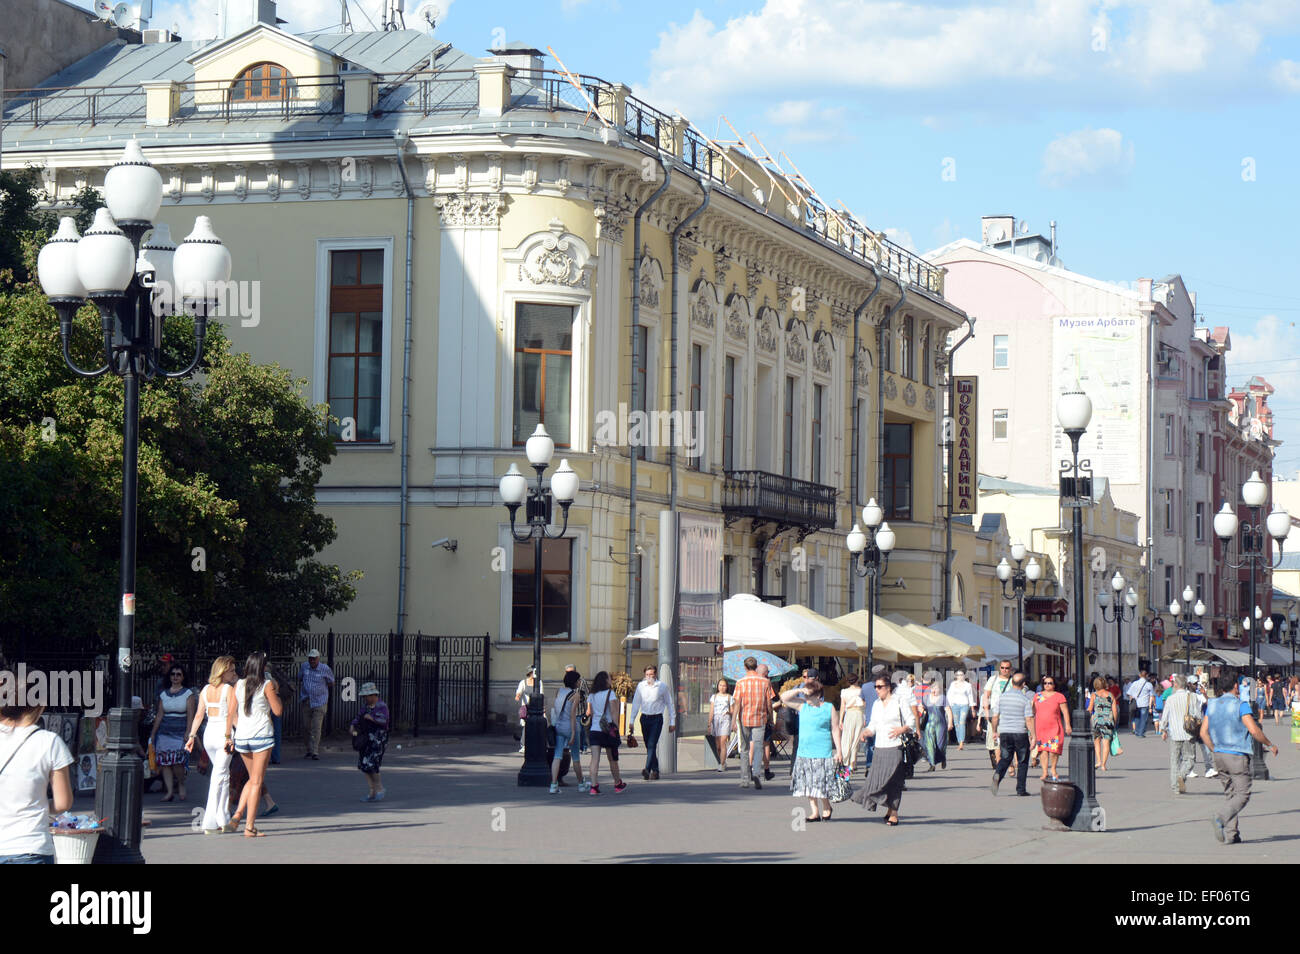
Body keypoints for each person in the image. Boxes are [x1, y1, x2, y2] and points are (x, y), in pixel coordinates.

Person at [0, 679, 75, 864]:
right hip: (30, 847)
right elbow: (63, 803)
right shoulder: (49, 742)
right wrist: (37, 805)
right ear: (41, 704)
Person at [1201, 672, 1278, 844]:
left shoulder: (1211, 705)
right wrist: (1269, 744)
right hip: (1236, 755)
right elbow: (1253, 730)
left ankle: (1232, 834)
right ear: (1236, 686)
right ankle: (1220, 818)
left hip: (1219, 755)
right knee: (1242, 794)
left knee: (1230, 793)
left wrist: (1214, 749)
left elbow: (1203, 732)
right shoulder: (1240, 705)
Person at [229, 651, 283, 837]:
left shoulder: (238, 684)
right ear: (262, 667)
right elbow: (277, 711)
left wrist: (232, 733)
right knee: (257, 782)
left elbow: (232, 712)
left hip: (242, 738)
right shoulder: (266, 685)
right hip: (261, 737)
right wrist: (276, 692)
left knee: (252, 779)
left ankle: (237, 815)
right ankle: (249, 827)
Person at [852, 674, 915, 825]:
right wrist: (866, 732)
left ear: (888, 688)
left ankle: (894, 813)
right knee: (877, 780)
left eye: (880, 687)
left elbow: (911, 721)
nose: (877, 690)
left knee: (894, 780)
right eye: (875, 687)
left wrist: (902, 729)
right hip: (880, 747)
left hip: (895, 746)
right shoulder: (876, 704)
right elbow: (873, 724)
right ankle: (887, 808)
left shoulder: (899, 701)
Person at [184, 656, 237, 834]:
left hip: (209, 735)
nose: (234, 673)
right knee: (219, 775)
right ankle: (210, 822)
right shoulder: (228, 689)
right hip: (223, 734)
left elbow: (199, 715)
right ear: (223, 671)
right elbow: (231, 716)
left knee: (223, 775)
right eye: (231, 670)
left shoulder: (205, 690)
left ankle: (223, 817)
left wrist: (192, 735)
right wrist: (232, 735)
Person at [781, 674, 842, 822]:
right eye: (806, 695)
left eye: (810, 695)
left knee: (821, 782)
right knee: (808, 783)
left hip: (822, 750)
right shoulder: (803, 706)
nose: (807, 698)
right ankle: (814, 811)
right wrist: (799, 691)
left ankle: (826, 806)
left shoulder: (828, 708)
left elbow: (835, 729)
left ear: (818, 695)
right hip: (804, 750)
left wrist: (839, 751)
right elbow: (784, 698)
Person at [149, 662, 196, 802]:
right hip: (164, 732)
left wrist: (189, 732)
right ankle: (169, 791)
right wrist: (153, 733)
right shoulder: (164, 694)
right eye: (173, 674)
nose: (175, 677)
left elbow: (190, 715)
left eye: (178, 674)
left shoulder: (188, 694)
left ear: (182, 677)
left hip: (180, 732)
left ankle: (180, 783)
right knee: (165, 763)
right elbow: (159, 715)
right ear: (169, 677)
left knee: (177, 762)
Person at [990, 671, 1035, 796]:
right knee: (1022, 761)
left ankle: (997, 776)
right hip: (1020, 733)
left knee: (1005, 758)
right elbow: (1029, 719)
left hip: (1005, 732)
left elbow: (995, 716)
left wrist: (994, 731)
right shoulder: (1025, 699)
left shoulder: (1002, 697)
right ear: (1024, 684)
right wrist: (1034, 735)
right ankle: (1021, 789)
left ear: (1012, 682)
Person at [733, 657, 775, 790]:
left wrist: (733, 720)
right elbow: (769, 702)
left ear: (745, 667)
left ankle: (745, 779)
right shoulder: (765, 682)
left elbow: (737, 703)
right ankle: (756, 773)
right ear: (756, 667)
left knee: (744, 749)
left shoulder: (740, 682)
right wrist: (770, 716)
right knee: (758, 747)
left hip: (744, 718)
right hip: (760, 718)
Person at [628, 665, 675, 781]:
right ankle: (656, 770)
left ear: (655, 675)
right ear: (645, 675)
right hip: (644, 718)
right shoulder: (641, 686)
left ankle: (647, 769)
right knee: (648, 745)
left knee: (651, 744)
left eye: (651, 674)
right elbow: (636, 703)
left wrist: (672, 721)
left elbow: (670, 703)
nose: (649, 677)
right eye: (647, 675)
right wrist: (631, 720)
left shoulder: (662, 687)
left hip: (657, 719)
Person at [1159, 674, 1202, 795]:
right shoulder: (1192, 697)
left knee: (1174, 760)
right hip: (1188, 734)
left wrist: (1163, 729)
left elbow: (1165, 715)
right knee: (1190, 759)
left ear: (1176, 685)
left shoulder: (1170, 699)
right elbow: (1198, 715)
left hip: (1175, 734)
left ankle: (1175, 787)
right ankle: (1181, 776)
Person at [585, 671, 626, 794]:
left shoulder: (592, 695)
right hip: (608, 730)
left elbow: (590, 713)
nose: (611, 680)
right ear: (605, 681)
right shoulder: (611, 694)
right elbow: (614, 713)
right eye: (609, 678)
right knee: (612, 758)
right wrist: (617, 729)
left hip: (595, 729)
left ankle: (593, 786)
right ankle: (617, 783)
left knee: (594, 759)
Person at [549, 670, 588, 794]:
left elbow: (555, 708)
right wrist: (572, 733)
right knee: (576, 757)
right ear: (575, 682)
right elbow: (572, 715)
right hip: (571, 727)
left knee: (557, 755)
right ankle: (581, 783)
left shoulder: (558, 691)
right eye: (578, 681)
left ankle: (553, 784)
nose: (579, 683)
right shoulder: (575, 695)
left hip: (559, 725)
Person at [350, 682, 389, 802]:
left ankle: (379, 788)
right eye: (364, 696)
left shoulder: (382, 706)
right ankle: (372, 791)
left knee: (372, 764)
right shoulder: (365, 707)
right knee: (364, 764)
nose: (365, 698)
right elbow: (358, 717)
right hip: (366, 738)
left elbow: (384, 720)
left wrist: (372, 718)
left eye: (366, 696)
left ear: (373, 695)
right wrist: (352, 725)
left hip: (378, 739)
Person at [1032, 675, 1071, 782]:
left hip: (1055, 726)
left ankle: (1053, 768)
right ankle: (1044, 771)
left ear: (1054, 685)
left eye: (1050, 683)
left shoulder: (1059, 696)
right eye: (1045, 683)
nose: (1047, 685)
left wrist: (1067, 724)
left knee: (1054, 749)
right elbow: (1032, 712)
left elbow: (1065, 712)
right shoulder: (1037, 696)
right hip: (1041, 727)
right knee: (1043, 750)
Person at [298, 649, 334, 760]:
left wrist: (321, 690)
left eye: (314, 658)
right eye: (310, 658)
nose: (312, 660)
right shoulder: (304, 666)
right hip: (307, 700)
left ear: (318, 659)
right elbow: (300, 678)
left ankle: (314, 751)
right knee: (305, 726)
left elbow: (331, 682)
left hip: (320, 701)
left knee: (316, 727)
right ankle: (308, 749)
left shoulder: (325, 669)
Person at [980, 660, 1015, 769]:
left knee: (1009, 740)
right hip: (995, 713)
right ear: (999, 668)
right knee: (996, 740)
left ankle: (1009, 762)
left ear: (1011, 669)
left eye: (1007, 668)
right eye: (1002, 667)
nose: (1004, 670)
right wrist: (986, 712)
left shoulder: (1014, 680)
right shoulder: (993, 679)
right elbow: (986, 696)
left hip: (1010, 714)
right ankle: (1001, 764)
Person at [921, 676, 951, 770]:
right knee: (929, 744)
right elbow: (922, 709)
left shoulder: (943, 698)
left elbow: (948, 711)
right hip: (930, 724)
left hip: (941, 725)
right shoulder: (926, 698)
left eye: (937, 688)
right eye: (933, 688)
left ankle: (942, 758)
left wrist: (950, 723)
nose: (935, 690)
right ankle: (932, 764)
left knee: (940, 745)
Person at [839, 674, 867, 773]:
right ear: (856, 681)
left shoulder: (844, 692)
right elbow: (864, 705)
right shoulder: (861, 691)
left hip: (849, 714)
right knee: (856, 739)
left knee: (846, 738)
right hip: (859, 713)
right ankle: (852, 763)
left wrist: (840, 720)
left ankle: (845, 761)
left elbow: (842, 706)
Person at [707, 678, 736, 772]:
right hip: (716, 720)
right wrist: (709, 723)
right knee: (718, 745)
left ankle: (722, 764)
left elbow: (732, 710)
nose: (722, 687)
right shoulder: (714, 697)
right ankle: (722, 761)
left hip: (725, 720)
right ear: (717, 686)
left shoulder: (729, 697)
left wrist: (729, 713)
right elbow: (711, 710)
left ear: (727, 687)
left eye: (724, 685)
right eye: (720, 685)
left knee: (723, 742)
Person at [1089, 675, 1117, 770]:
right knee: (1106, 742)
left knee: (1097, 741)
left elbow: (1090, 708)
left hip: (1097, 721)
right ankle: (1104, 765)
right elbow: (1114, 711)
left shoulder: (1094, 695)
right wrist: (1114, 721)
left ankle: (1098, 761)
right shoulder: (1110, 695)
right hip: (1108, 721)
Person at [946, 670, 976, 750]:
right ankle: (959, 740)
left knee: (962, 722)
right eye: (958, 675)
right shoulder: (953, 684)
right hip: (954, 705)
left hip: (964, 705)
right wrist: (949, 705)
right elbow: (949, 695)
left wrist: (972, 709)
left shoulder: (968, 685)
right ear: (956, 676)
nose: (960, 676)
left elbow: (970, 697)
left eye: (962, 675)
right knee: (956, 723)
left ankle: (961, 743)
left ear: (964, 676)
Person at [514, 666, 539, 754]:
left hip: (536, 706)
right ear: (530, 673)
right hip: (527, 708)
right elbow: (519, 691)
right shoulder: (523, 682)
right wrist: (518, 695)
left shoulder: (538, 682)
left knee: (537, 726)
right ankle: (524, 745)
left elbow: (542, 694)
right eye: (534, 673)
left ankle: (535, 745)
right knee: (526, 726)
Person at [1127, 669, 1155, 738]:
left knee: (1137, 718)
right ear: (1146, 676)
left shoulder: (1134, 683)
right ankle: (1141, 733)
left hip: (1136, 703)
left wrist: (1132, 699)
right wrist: (1151, 705)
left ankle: (1136, 731)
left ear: (1139, 675)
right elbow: (1152, 695)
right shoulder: (1149, 684)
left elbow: (1129, 693)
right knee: (1144, 719)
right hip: (1144, 703)